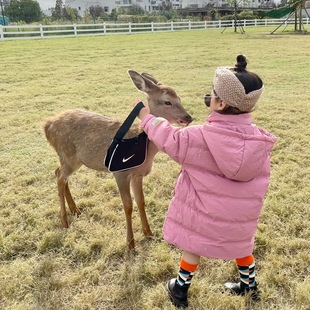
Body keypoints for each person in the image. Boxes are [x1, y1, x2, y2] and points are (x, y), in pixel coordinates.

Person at [133, 55, 277, 308]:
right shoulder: (259, 141)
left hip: (203, 213)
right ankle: (249, 287)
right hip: (240, 218)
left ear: (219, 103)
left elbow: (168, 139)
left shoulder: (199, 136)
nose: (208, 96)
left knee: (192, 246)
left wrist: (146, 117)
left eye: (212, 93)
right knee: (242, 247)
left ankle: (180, 289)